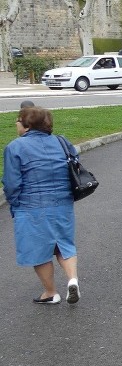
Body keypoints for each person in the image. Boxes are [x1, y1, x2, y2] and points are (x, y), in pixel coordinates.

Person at [2, 107, 81, 304]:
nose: (16, 124)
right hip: (63, 203)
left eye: (18, 121)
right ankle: (72, 280)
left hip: (31, 206)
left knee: (39, 250)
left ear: (27, 125)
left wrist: (15, 203)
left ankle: (50, 293)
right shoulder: (62, 142)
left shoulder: (15, 147)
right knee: (64, 244)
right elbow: (75, 164)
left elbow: (12, 183)